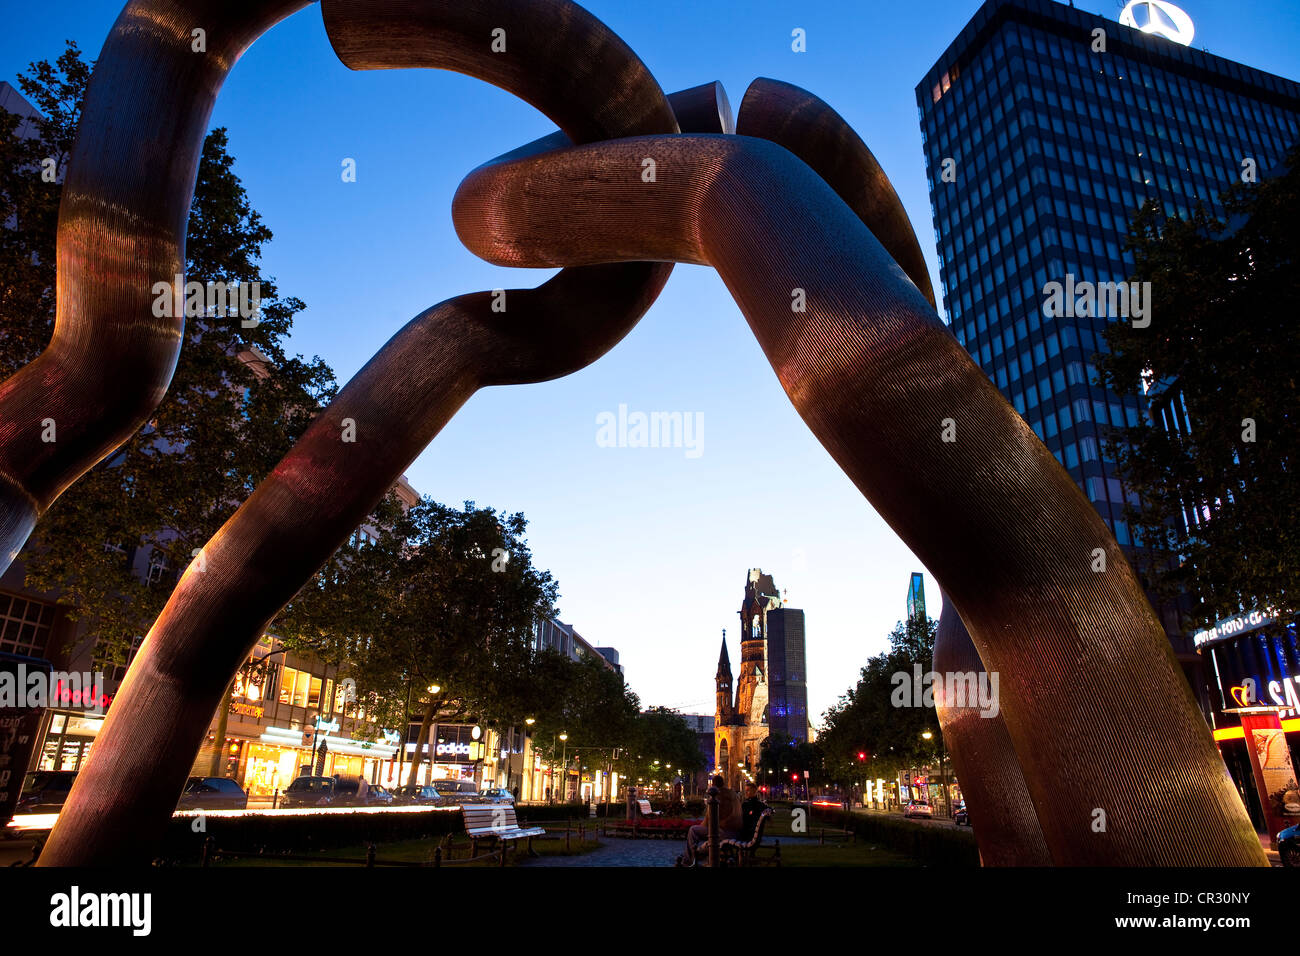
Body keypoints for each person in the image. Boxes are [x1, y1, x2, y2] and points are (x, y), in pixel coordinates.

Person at [681, 775, 742, 866]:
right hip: (735, 832)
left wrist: (703, 825)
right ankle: (697, 855)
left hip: (723, 832)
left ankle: (689, 858)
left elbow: (708, 821)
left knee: (693, 830)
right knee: (706, 835)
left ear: (713, 785)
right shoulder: (732, 794)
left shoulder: (718, 796)